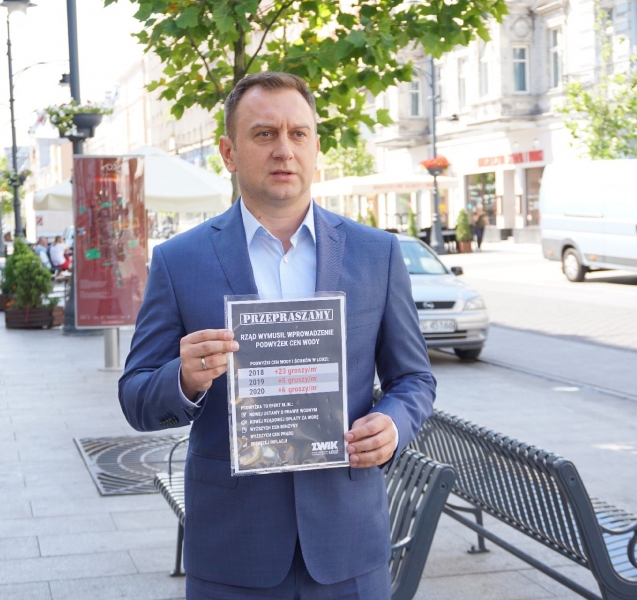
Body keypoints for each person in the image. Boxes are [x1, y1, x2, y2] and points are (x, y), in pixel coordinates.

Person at [119, 72, 435, 599]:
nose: (284, 149)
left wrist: (393, 424)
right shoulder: (179, 261)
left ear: (316, 146)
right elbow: (135, 396)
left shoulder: (376, 254)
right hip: (233, 548)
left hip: (347, 547)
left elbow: (415, 379)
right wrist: (185, 380)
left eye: (298, 133)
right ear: (228, 152)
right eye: (264, 134)